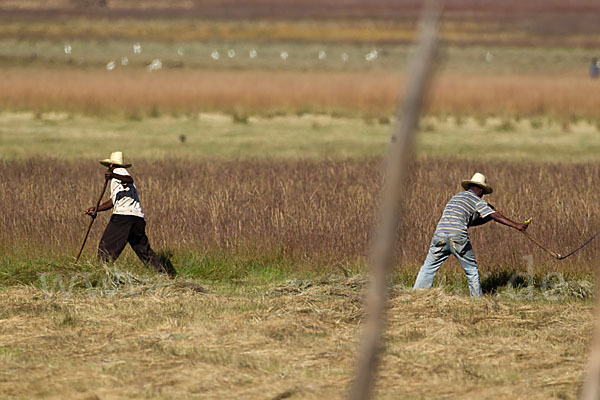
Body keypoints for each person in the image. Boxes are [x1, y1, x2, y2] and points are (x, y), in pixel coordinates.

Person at [413, 173, 528, 296]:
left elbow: (469, 222)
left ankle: (417, 296)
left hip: (440, 235)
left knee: (428, 268)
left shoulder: (456, 197)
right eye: (483, 193)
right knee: (471, 270)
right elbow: (495, 216)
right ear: (480, 190)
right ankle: (476, 299)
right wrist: (517, 225)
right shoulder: (476, 200)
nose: (483, 196)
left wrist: (489, 217)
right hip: (458, 237)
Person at [85, 151, 176, 278]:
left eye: (109, 166)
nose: (107, 169)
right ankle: (163, 275)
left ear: (112, 165)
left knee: (105, 248)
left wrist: (113, 175)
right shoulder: (116, 178)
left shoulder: (120, 173)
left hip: (123, 218)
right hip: (137, 219)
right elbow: (112, 202)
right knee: (143, 250)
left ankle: (101, 275)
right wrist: (96, 209)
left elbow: (129, 179)